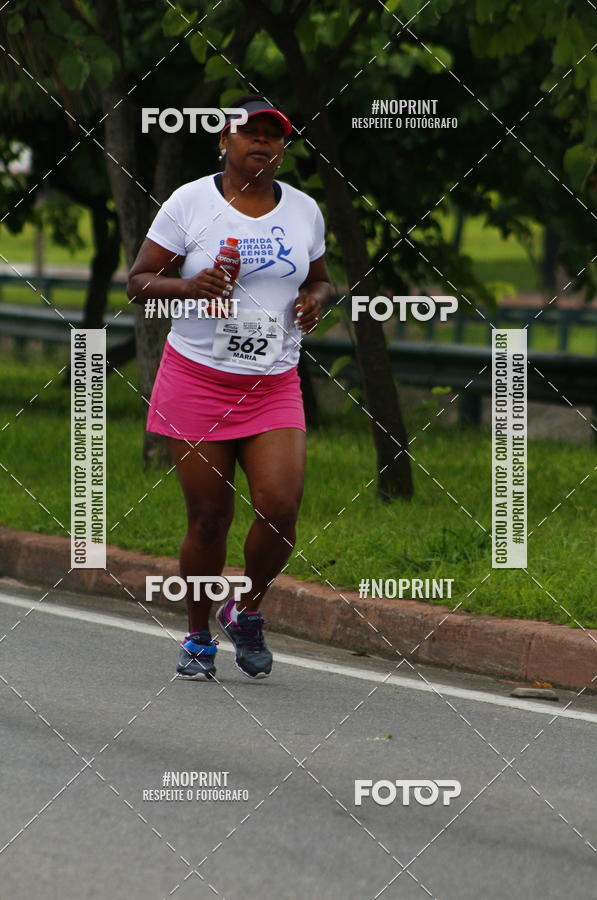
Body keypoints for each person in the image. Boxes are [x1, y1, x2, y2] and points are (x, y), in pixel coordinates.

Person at [127, 95, 332, 681]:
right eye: (250, 133)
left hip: (272, 383)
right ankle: (196, 635)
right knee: (210, 517)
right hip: (196, 380)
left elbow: (321, 280)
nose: (263, 143)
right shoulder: (190, 201)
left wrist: (314, 302)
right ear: (223, 141)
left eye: (274, 135)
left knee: (281, 508)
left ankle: (245, 610)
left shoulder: (304, 211)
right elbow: (139, 282)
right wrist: (192, 288)